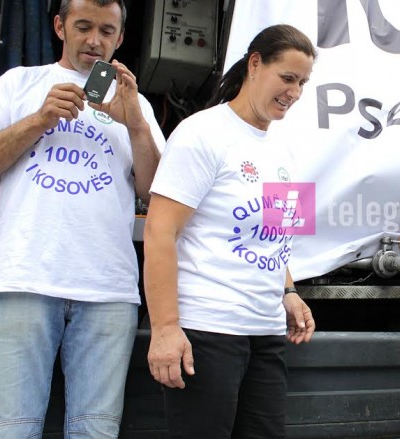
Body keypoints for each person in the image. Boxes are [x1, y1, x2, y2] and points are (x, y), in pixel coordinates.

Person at [0, 0, 164, 437]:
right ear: (59, 26)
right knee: (12, 428)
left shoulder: (136, 102)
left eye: (107, 31)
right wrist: (40, 119)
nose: (95, 40)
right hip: (25, 278)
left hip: (107, 288)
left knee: (95, 432)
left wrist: (137, 127)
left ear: (121, 38)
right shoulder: (19, 83)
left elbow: (154, 194)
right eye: (84, 26)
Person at [143, 24, 317, 439]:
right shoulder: (201, 133)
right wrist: (166, 329)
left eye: (303, 83)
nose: (294, 92)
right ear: (254, 64)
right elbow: (158, 232)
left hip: (267, 332)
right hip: (208, 331)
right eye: (287, 78)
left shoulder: (286, 150)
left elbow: (278, 239)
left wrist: (289, 293)